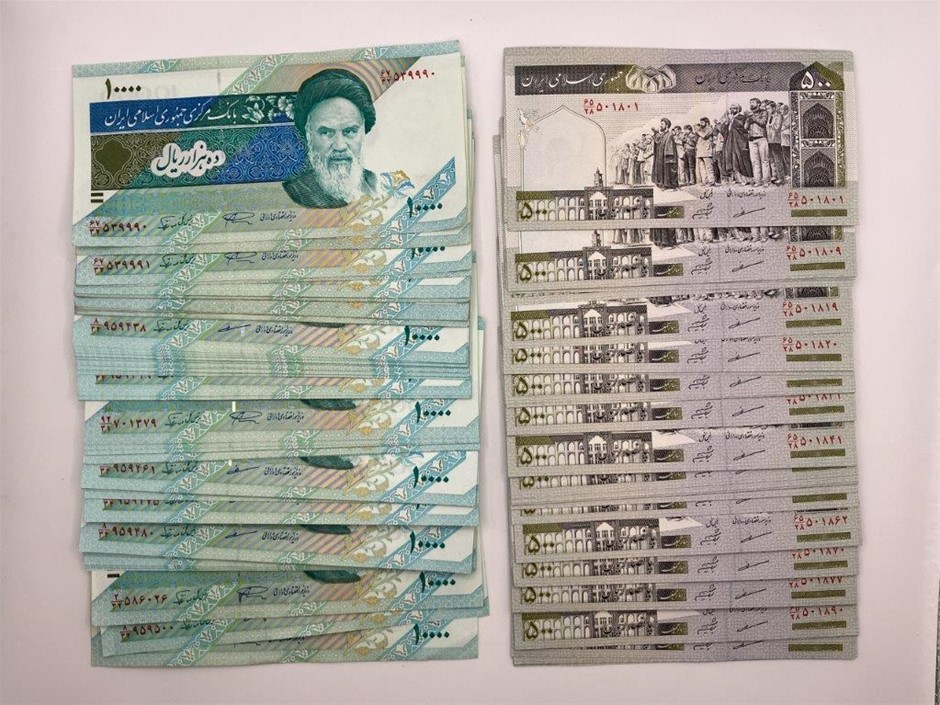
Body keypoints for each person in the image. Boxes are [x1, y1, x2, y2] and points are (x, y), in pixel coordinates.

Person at [282, 68, 379, 208]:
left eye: (349, 131)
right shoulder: (297, 192)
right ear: (308, 135)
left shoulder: (375, 183)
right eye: (326, 132)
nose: (340, 146)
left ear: (363, 131)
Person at [718, 105, 753, 185]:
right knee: (731, 160)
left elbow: (743, 127)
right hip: (730, 142)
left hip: (739, 142)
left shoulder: (742, 117)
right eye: (731, 108)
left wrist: (733, 120)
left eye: (734, 108)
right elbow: (723, 131)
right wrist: (726, 123)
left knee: (740, 160)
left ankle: (745, 179)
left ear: (738, 109)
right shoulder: (729, 118)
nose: (732, 110)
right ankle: (735, 178)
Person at [744, 97, 771, 187]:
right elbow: (745, 127)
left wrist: (753, 118)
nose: (751, 104)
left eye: (753, 102)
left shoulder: (763, 112)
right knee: (754, 162)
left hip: (761, 138)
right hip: (751, 140)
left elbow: (763, 122)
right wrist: (748, 121)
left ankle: (766, 181)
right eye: (750, 103)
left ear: (759, 104)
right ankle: (757, 181)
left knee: (764, 160)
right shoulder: (749, 115)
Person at [652, 119, 680, 190]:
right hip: (661, 156)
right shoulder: (663, 134)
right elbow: (657, 141)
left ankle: (668, 185)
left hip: (666, 156)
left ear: (667, 125)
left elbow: (670, 147)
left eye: (662, 124)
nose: (660, 126)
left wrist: (667, 156)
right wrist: (656, 133)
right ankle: (662, 183)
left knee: (668, 170)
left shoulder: (669, 134)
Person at [766, 101, 785, 185]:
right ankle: (774, 176)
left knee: (778, 159)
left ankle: (781, 178)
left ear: (774, 108)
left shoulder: (779, 116)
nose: (767, 110)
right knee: (771, 159)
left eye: (769, 108)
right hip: (769, 140)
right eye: (767, 109)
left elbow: (777, 127)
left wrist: (770, 126)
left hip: (776, 140)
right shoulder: (769, 116)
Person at [693, 118, 715, 186]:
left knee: (709, 167)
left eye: (702, 122)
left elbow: (704, 135)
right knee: (702, 168)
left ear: (707, 123)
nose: (701, 124)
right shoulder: (701, 130)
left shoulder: (709, 128)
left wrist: (697, 130)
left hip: (706, 150)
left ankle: (711, 181)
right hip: (700, 151)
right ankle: (705, 181)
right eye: (700, 122)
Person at [779, 103, 791, 180]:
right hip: (783, 141)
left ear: (786, 110)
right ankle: (788, 173)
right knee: (786, 158)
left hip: (788, 140)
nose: (780, 111)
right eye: (780, 109)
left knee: (789, 158)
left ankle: (791, 174)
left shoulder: (789, 117)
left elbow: (783, 127)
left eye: (782, 109)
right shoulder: (781, 117)